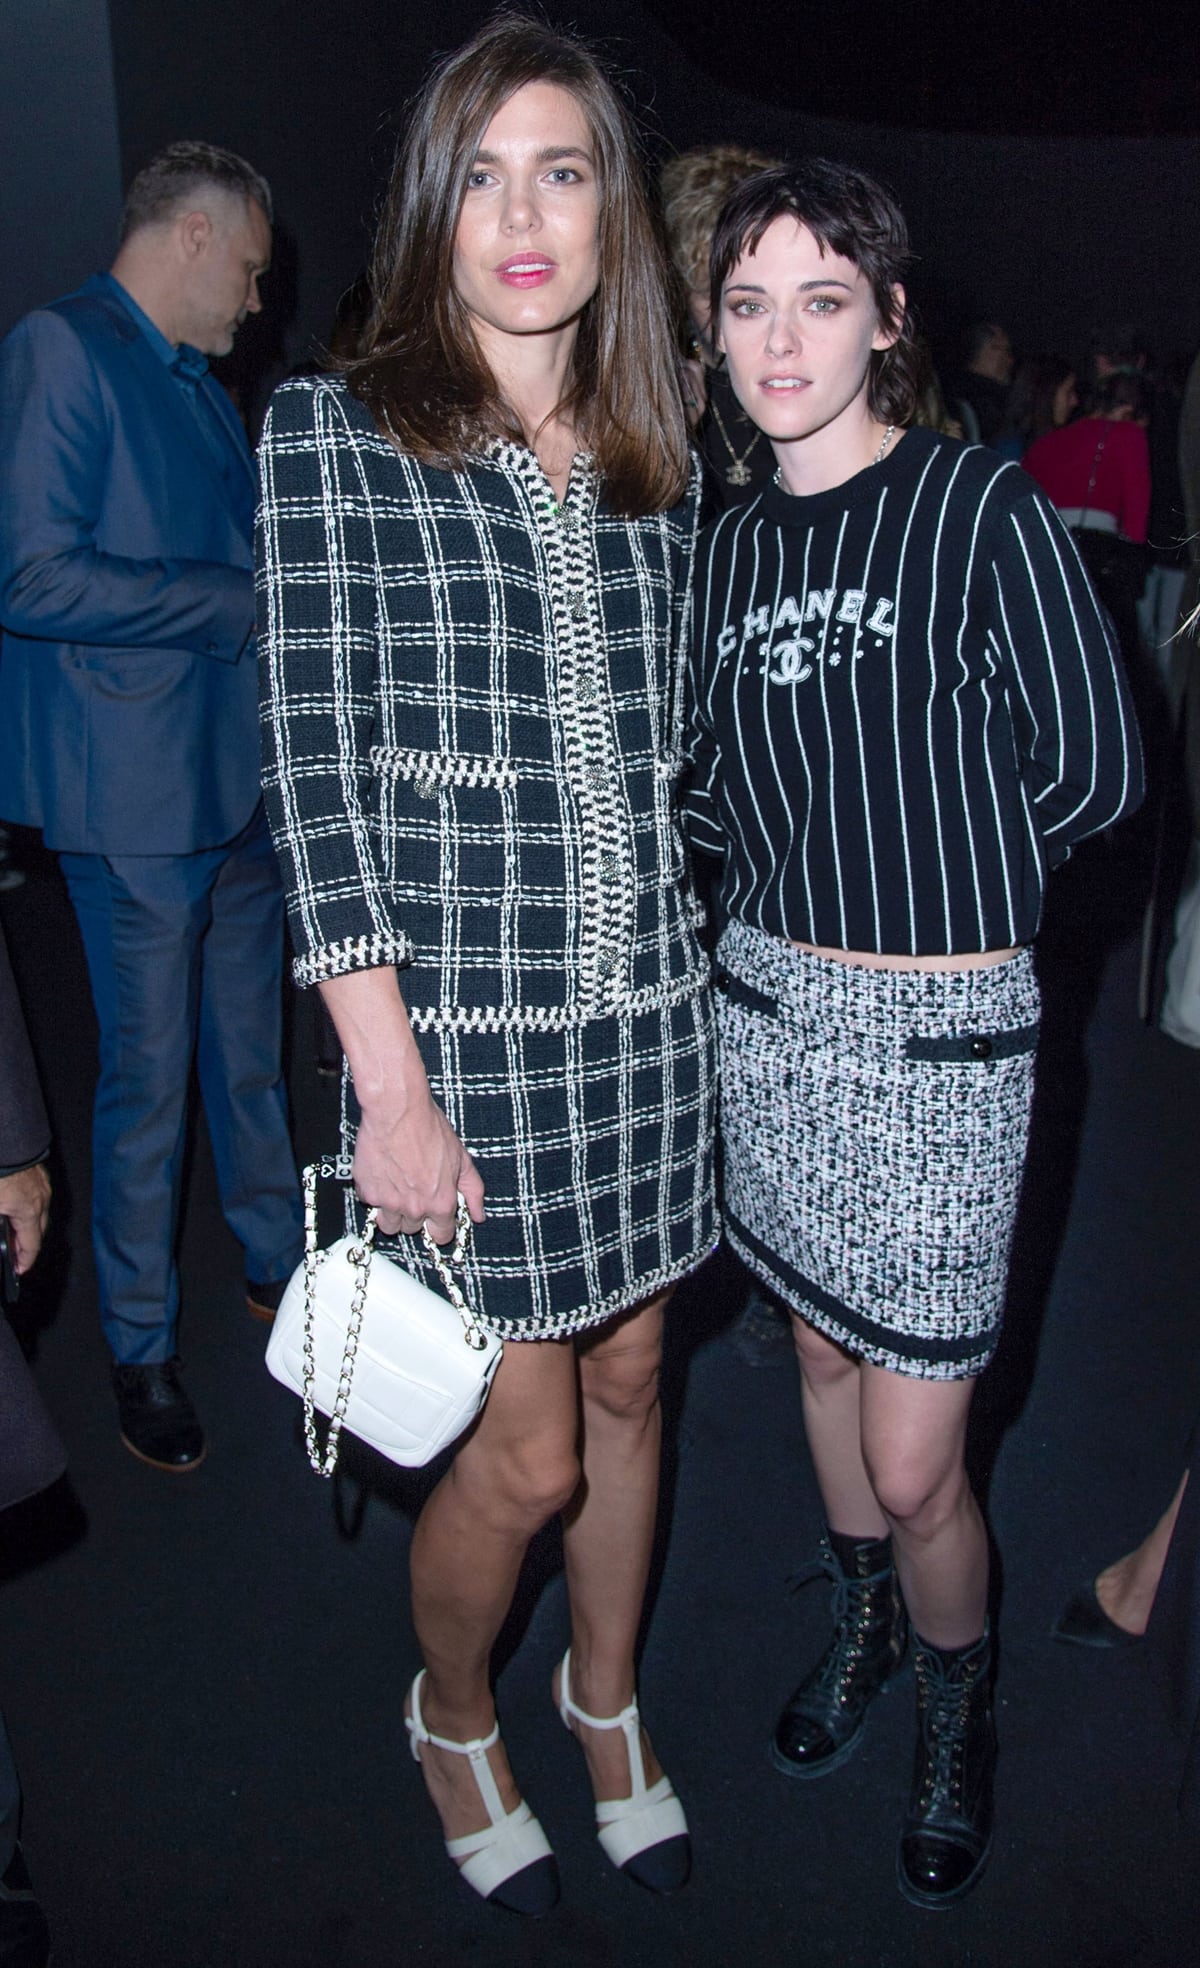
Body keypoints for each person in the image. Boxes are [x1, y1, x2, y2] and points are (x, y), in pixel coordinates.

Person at [256, 16, 716, 1917]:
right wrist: (391, 1086)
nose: (523, 215)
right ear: (433, 207)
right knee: (518, 1453)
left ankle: (604, 1700)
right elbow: (314, 767)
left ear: (612, 207)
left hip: (653, 1027)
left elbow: (690, 754)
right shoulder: (334, 428)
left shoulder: (659, 453)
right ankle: (457, 1709)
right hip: (467, 1046)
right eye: (484, 172)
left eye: (565, 169)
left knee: (634, 1384)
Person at [683, 159, 1142, 1909]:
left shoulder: (979, 508)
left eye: (819, 298)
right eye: (746, 302)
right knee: (811, 1362)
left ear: (887, 320)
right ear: (717, 335)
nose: (780, 336)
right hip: (769, 1013)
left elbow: (1098, 768)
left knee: (913, 1448)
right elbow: (714, 803)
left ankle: (962, 1695)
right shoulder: (722, 555)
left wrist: (936, 904)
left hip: (945, 1031)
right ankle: (863, 1622)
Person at [0, 143, 304, 1474]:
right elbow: (32, 578)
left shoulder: (199, 385)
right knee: (147, 1091)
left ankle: (282, 1270)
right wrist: (235, 604)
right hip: (128, 800)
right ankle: (138, 1346)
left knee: (247, 1059)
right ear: (189, 236)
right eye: (245, 270)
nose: (254, 300)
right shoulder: (59, 350)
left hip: (230, 786)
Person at [659, 145, 781, 511]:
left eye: (750, 297)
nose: (729, 317)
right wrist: (666, 449)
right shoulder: (650, 381)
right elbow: (566, 516)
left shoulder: (813, 377)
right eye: (707, 292)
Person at [948, 319, 1014, 446]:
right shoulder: (970, 404)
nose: (1010, 360)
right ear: (984, 350)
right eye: (1004, 350)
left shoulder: (994, 400)